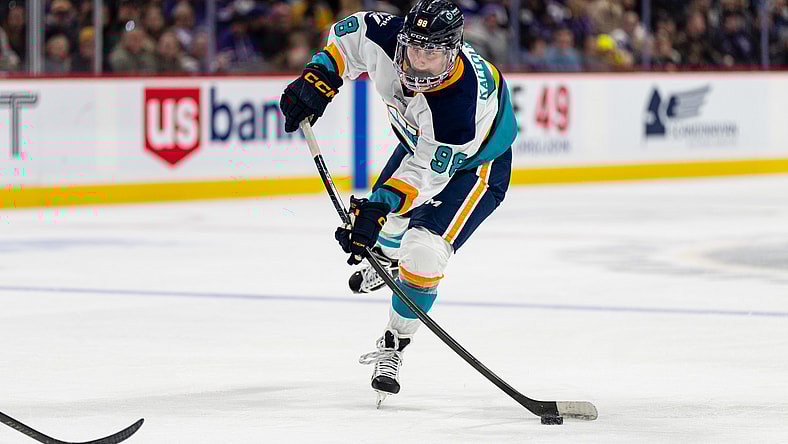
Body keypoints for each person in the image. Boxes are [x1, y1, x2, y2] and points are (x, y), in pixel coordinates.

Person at [279, 0, 516, 406]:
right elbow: (350, 36)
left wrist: (377, 206)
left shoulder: (460, 105)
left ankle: (394, 341)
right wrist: (320, 77)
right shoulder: (387, 37)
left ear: (454, 52)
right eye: (414, 48)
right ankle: (388, 261)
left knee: (422, 251)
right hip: (418, 145)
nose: (419, 61)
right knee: (386, 227)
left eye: (432, 53)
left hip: (475, 166)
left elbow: (426, 175)